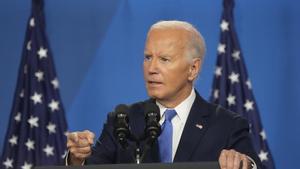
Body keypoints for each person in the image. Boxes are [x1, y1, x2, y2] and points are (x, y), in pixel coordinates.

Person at [66, 20, 262, 169]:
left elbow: (253, 165)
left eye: (164, 59)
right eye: (148, 57)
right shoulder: (122, 120)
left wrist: (243, 163)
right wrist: (77, 158)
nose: (151, 68)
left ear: (193, 68)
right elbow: (93, 165)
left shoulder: (227, 125)